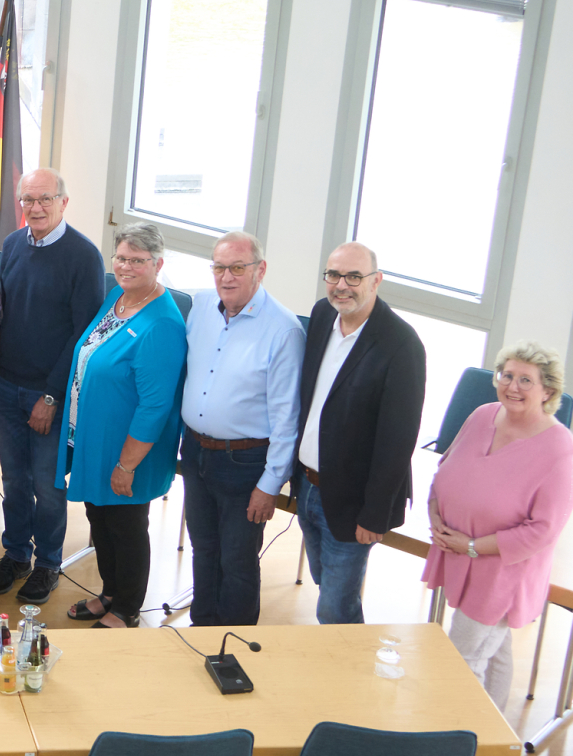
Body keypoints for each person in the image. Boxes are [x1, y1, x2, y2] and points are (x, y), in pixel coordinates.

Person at [423, 342, 573, 709]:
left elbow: (544, 530)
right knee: (494, 649)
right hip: (459, 553)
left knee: (463, 658)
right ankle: (493, 738)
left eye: (526, 380)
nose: (512, 386)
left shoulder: (558, 447)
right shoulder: (482, 415)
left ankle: (462, 741)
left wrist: (472, 546)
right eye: (507, 375)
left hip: (503, 571)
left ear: (549, 391)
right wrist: (435, 513)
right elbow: (446, 467)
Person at [56, 223, 187, 630]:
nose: (126, 266)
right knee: (101, 519)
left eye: (137, 260)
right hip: (95, 437)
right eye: (121, 258)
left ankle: (127, 607)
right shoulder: (118, 296)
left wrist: (127, 465)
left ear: (158, 264)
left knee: (126, 526)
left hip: (130, 449)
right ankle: (109, 593)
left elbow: (155, 405)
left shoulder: (162, 323)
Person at [0, 168, 104, 604]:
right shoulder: (13, 244)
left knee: (48, 488)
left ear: (63, 203)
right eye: (27, 200)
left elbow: (83, 335)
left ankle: (49, 563)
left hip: (48, 394)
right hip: (9, 388)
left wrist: (51, 396)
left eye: (45, 200)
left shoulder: (84, 256)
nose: (35, 208)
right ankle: (16, 553)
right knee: (14, 481)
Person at [293, 242, 425, 625]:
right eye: (333, 275)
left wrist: (375, 513)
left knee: (335, 605)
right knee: (326, 583)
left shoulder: (401, 345)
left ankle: (343, 678)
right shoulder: (322, 315)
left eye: (354, 276)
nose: (341, 286)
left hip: (354, 500)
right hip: (308, 485)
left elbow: (398, 440)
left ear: (376, 281)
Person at [178, 231, 304, 627]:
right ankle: (202, 629)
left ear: (260, 270)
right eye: (219, 267)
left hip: (245, 461)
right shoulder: (200, 305)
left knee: (237, 560)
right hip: (195, 450)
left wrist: (270, 485)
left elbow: (287, 418)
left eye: (237, 267)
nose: (226, 277)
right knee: (204, 549)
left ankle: (232, 645)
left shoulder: (283, 330)